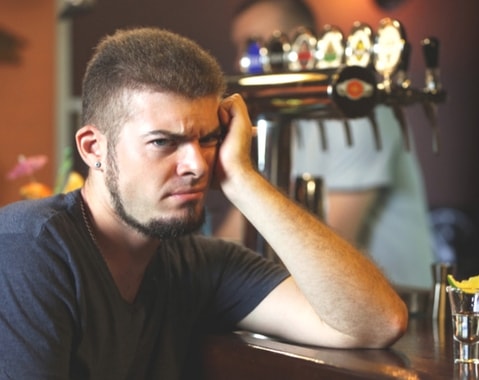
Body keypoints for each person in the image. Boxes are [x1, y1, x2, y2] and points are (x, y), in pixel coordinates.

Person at [0, 27, 407, 379]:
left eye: (209, 138)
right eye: (164, 142)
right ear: (93, 149)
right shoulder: (29, 248)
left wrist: (244, 180)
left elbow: (375, 323)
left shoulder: (201, 264)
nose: (197, 165)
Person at [226, 0, 436, 291]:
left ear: (302, 46)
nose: (242, 62)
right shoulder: (287, 119)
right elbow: (240, 225)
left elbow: (330, 241)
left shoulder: (359, 111)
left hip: (400, 302)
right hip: (338, 297)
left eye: (256, 46)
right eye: (240, 49)